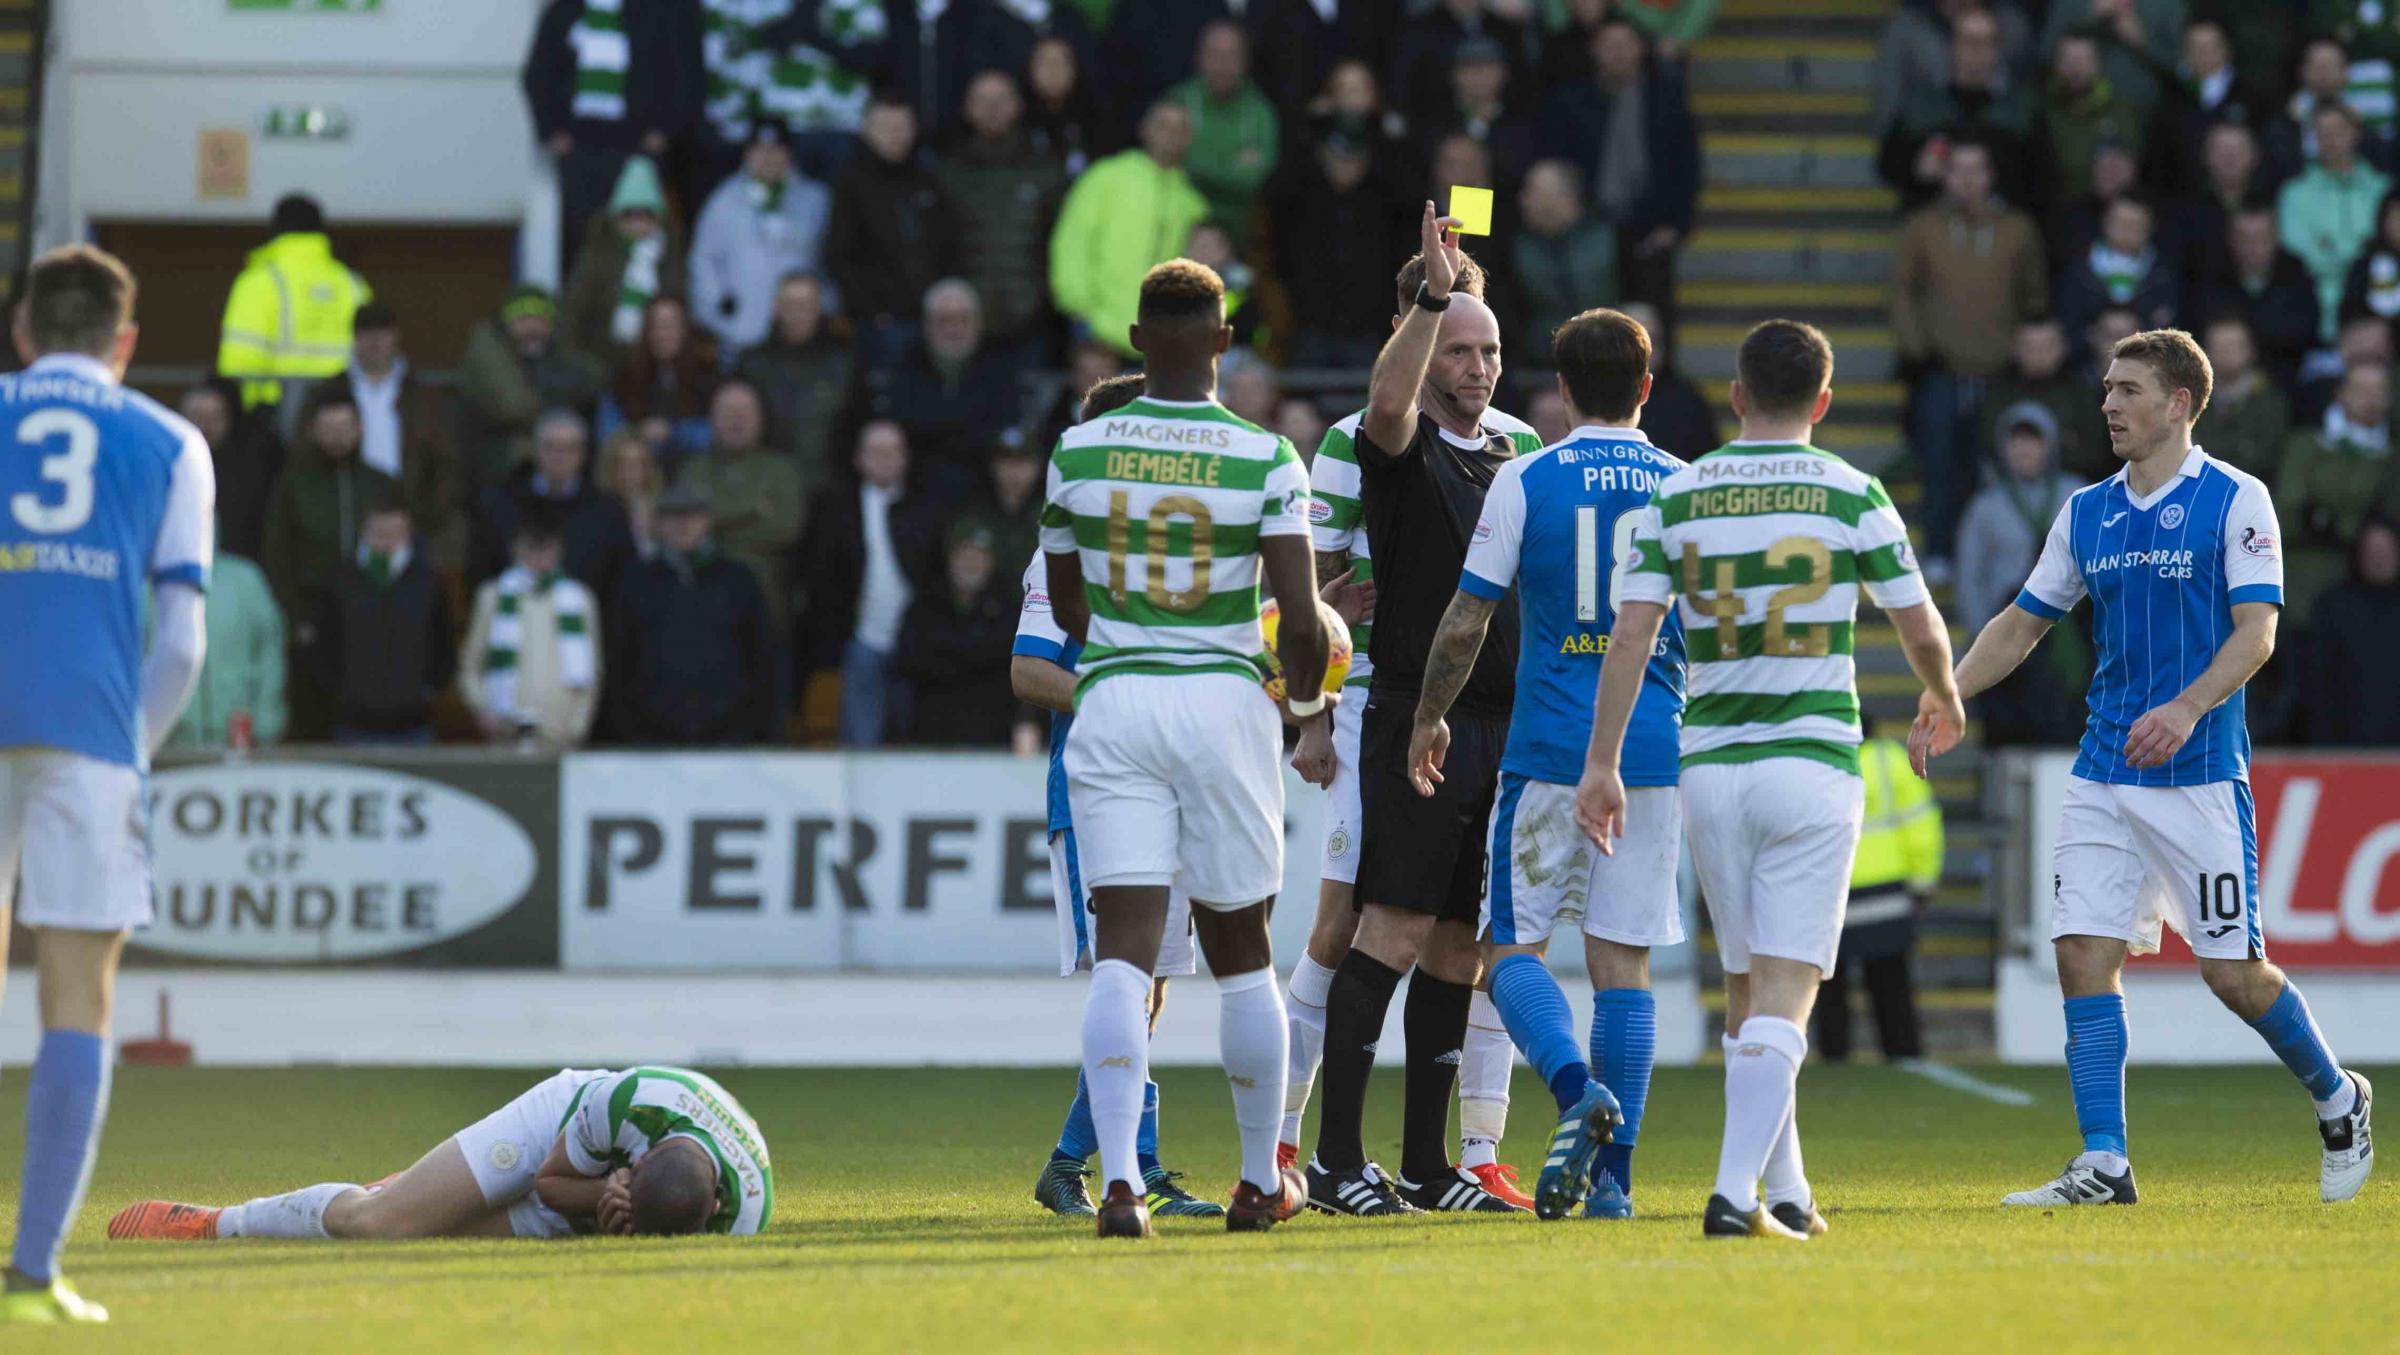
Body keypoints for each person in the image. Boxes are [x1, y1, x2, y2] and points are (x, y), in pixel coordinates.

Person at [1947, 327, 2374, 1208]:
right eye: (2107, 388)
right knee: (2081, 952)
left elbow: (2257, 634)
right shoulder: (2086, 510)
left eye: (2128, 389)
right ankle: (2104, 1160)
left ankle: (2340, 1096)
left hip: (2200, 773)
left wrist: (2185, 708)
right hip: (2104, 770)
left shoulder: (2237, 498)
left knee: (2233, 976)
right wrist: (1950, 692)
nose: (2108, 403)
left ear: (2179, 403)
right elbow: (2022, 622)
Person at [1575, 318, 1962, 1240]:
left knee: (1745, 986)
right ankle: (1732, 1189)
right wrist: (1943, 694)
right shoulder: (1851, 490)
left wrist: (1601, 762)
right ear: (1824, 402)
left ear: (1738, 396)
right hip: (1810, 764)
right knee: (1788, 989)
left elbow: (1631, 636)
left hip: (1708, 763)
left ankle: (1786, 1191)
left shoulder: (1683, 491)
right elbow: (1918, 625)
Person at [1039, 257, 1322, 1239]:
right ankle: (1258, 1181)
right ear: (1222, 339)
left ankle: (1119, 1183)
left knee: (1124, 950)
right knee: (1243, 951)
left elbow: (1068, 605)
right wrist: (1310, 704)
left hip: (1116, 696)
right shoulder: (1267, 455)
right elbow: (1305, 624)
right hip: (1221, 697)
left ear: (1133, 340)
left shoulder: (1077, 450)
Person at [1403, 307, 1686, 1221]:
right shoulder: (1686, 486)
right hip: (1652, 752)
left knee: (1507, 952)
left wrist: (1428, 716)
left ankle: (1576, 1094)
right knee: (1624, 967)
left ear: (1560, 393)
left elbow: (1467, 617)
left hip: (1546, 753)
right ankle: (1615, 1185)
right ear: (1647, 387)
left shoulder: (1526, 477)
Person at [1287, 246, 1544, 1210]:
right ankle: (1332, 1162)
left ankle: (1433, 1166)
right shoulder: (1391, 444)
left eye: (1490, 351)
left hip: (1503, 726)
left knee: (1455, 948)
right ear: (1425, 346)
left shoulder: (1516, 454)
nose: (1476, 366)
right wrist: (1435, 301)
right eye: (1458, 349)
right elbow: (1388, 408)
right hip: (1411, 716)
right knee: (1382, 930)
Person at [0, 245, 212, 1324]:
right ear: (124, 342)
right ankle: (32, 1274)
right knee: (76, 997)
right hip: (91, 736)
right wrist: (132, 741)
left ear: (23, 330)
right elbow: (180, 642)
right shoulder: (172, 441)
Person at [1018, 370, 1223, 1223]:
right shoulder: (1059, 553)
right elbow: (1031, 670)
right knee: (1128, 979)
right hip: (1099, 791)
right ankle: (1124, 1168)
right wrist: (1127, 694)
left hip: (1167, 791)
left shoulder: (1152, 556)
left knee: (1150, 986)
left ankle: (1078, 1162)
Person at [110, 1066, 767, 1242]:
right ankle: (215, 1220)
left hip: (596, 1199)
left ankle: (420, 1189)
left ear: (714, 1204)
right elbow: (551, 1178)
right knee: (374, 1224)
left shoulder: (745, 1213)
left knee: (415, 1218)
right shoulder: (627, 1101)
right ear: (642, 1159)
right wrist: (601, 1196)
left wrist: (615, 1218)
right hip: (559, 1141)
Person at [1894, 139, 2050, 581]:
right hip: (1941, 368)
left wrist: (2026, 346)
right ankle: (1940, 549)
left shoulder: (2017, 229)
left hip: (2000, 370)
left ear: (1991, 175)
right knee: (1939, 460)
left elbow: (2034, 294)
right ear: (1944, 176)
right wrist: (1916, 349)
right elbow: (1904, 291)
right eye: (1957, 169)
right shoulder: (1922, 227)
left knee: (1994, 465)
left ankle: (1996, 561)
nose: (1967, 179)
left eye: (1977, 169)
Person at [519, 0, 704, 272]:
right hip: (580, 147)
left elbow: (686, 74)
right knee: (583, 236)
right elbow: (538, 73)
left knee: (641, 237)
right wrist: (551, 131)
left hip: (637, 148)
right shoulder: (565, 10)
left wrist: (665, 131)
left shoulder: (656, 9)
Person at [261, 386, 401, 738]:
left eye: (345, 428)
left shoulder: (381, 484)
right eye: (329, 429)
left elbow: (401, 549)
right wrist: (297, 620)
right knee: (312, 720)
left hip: (370, 621)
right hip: (313, 624)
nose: (338, 438)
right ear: (313, 432)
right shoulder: (293, 485)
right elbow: (278, 556)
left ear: (360, 430)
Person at [800, 420, 944, 747]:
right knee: (860, 744)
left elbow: (934, 576)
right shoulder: (835, 509)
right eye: (876, 452)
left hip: (914, 643)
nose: (886, 459)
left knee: (910, 742)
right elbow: (821, 577)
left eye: (894, 451)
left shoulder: (925, 510)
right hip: (860, 642)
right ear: (858, 459)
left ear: (906, 458)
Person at [1956, 404, 2091, 746]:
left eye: (2033, 441)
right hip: (2009, 628)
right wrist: (1980, 637)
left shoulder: (2078, 495)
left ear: (2051, 445)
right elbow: (1970, 576)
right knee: (2010, 730)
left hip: (2069, 633)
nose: (2024, 450)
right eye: (2016, 441)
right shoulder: (1985, 506)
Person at [606, 485, 781, 745]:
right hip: (651, 742)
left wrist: (758, 730)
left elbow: (764, 658)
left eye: (693, 515)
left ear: (708, 521)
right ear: (659, 523)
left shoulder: (740, 580)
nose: (683, 524)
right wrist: (629, 731)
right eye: (673, 516)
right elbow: (619, 659)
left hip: (730, 739)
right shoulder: (636, 581)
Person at [1817, 723, 1943, 1063]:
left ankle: (1833, 1062)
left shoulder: (1819, 758)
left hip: (1829, 892)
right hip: (1887, 893)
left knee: (1828, 988)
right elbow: (1922, 829)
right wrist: (1922, 886)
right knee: (1892, 987)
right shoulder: (1890, 760)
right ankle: (1904, 1058)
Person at [1048, 101, 1211, 360]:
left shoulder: (1193, 203)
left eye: (1180, 128)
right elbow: (1072, 242)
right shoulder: (1106, 176)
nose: (1170, 134)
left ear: (1190, 138)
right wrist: (1079, 309)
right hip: (1097, 333)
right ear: (1144, 129)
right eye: (1163, 125)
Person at [851, 280, 1027, 499]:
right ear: (926, 325)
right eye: (944, 320)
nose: (954, 329)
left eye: (963, 319)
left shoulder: (1000, 368)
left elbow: (999, 431)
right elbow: (903, 425)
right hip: (912, 489)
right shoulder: (903, 366)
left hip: (983, 489)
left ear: (979, 323)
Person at [823, 93, 961, 368]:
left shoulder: (929, 182)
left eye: (902, 127)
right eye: (886, 127)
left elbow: (951, 245)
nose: (895, 136)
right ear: (867, 130)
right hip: (878, 325)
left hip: (931, 319)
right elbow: (838, 255)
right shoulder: (851, 185)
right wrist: (873, 311)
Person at [936, 69, 1070, 349]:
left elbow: (1063, 244)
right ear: (967, 109)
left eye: (1001, 99)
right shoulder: (948, 171)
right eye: (982, 100)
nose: (992, 109)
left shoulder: (1045, 170)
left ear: (1018, 105)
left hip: (1031, 321)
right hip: (964, 323)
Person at [1269, 126, 1413, 371]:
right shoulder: (1300, 198)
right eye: (1337, 157)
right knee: (1302, 401)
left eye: (1353, 159)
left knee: (1368, 404)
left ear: (1366, 160)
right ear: (1322, 156)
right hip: (1310, 327)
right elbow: (1274, 192)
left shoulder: (1385, 201)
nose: (1345, 165)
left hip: (1366, 329)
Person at [691, 119, 836, 356]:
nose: (768, 157)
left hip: (801, 330)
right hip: (742, 331)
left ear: (789, 153)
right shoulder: (723, 201)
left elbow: (829, 257)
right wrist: (717, 311)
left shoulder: (815, 200)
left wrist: (826, 305)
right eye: (759, 149)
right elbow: (704, 260)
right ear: (747, 154)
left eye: (777, 149)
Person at [314, 502, 454, 746]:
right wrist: (342, 693)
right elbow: (324, 646)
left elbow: (444, 646)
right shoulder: (339, 581)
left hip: (414, 725)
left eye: (395, 534)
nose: (386, 543)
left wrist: (426, 691)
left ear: (408, 536)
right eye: (378, 534)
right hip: (354, 724)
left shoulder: (428, 583)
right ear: (363, 534)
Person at [216, 194, 371, 414]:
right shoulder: (351, 283)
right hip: (346, 411)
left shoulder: (259, 281)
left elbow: (240, 359)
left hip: (276, 413)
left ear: (276, 228)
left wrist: (245, 414)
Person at [459, 513, 602, 751]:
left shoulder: (580, 599)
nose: (539, 558)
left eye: (546, 549)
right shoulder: (493, 596)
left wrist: (578, 725)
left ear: (559, 551)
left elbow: (592, 671)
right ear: (516, 550)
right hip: (505, 733)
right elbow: (470, 665)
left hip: (561, 735)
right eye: (532, 549)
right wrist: (483, 709)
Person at [342, 302, 464, 579]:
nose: (374, 342)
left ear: (395, 337)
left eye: (382, 333)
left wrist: (428, 513)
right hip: (349, 515)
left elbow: (447, 460)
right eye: (366, 334)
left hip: (415, 518)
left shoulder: (424, 396)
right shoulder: (331, 392)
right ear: (355, 339)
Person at [469, 408, 637, 601]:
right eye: (550, 447)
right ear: (534, 450)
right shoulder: (499, 504)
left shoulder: (608, 513)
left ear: (583, 454)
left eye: (569, 448)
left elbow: (619, 583)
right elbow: (482, 572)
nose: (559, 457)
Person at [456, 285, 606, 500]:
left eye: (540, 319)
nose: (532, 327)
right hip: (499, 471)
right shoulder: (491, 360)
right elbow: (514, 407)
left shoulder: (564, 360)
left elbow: (592, 381)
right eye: (522, 319)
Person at [2277, 362, 2400, 621]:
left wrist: (2328, 520)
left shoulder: (2391, 457)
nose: (2372, 400)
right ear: (2341, 393)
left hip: (2365, 586)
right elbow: (2287, 513)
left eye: (2380, 392)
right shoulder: (2306, 444)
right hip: (2298, 573)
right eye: (2362, 390)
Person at [561, 155, 688, 369]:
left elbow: (679, 301)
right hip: (602, 359)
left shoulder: (670, 253)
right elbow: (573, 311)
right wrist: (578, 361)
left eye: (646, 214)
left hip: (656, 362)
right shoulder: (596, 253)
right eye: (629, 214)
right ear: (616, 217)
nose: (637, 223)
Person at [2281, 101, 2392, 342]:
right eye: (2321, 133)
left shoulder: (2384, 189)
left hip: (2382, 315)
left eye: (2338, 131)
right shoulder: (2294, 193)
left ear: (2356, 134)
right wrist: (2361, 253)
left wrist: (2330, 250)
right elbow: (2297, 257)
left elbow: (2391, 251)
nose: (2330, 139)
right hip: (2313, 319)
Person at [162, 544, 285, 753]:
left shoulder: (245, 580)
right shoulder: (149, 584)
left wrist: (265, 721)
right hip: (172, 748)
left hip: (241, 744)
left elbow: (270, 650)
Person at [732, 271, 853, 482]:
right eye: (790, 305)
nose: (798, 314)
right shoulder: (751, 364)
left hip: (828, 488)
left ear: (818, 310)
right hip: (766, 486)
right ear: (775, 309)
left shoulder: (843, 365)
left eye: (805, 305)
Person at [1168, 19, 1281, 239]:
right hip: (1178, 228)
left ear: (1246, 61)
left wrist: (1192, 158)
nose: (1223, 64)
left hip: (1237, 234)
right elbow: (1165, 164)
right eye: (1214, 54)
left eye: (1231, 55)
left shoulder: (1260, 111)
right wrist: (1231, 164)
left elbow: (1251, 180)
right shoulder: (1179, 100)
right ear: (1199, 58)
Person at [1504, 160, 1618, 367]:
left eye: (1532, 191)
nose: (1523, 200)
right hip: (1534, 365)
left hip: (1605, 359)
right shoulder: (1513, 245)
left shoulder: (1612, 238)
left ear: (1562, 198)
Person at [2205, 208, 2324, 392]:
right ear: (2231, 240)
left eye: (2261, 238)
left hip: (2287, 376)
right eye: (2244, 238)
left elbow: (2304, 330)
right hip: (2223, 375)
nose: (2252, 247)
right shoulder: (2213, 273)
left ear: (2276, 239)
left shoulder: (2296, 271)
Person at [2305, 517, 2400, 744]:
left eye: (2386, 550)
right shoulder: (2333, 608)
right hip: (2346, 746)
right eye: (2372, 551)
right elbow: (2317, 683)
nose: (2379, 559)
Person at [596, 294, 717, 471]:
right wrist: (638, 433)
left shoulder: (710, 376)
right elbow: (607, 436)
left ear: (685, 329)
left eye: (670, 326)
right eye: (655, 326)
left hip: (696, 473)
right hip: (636, 473)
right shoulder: (623, 378)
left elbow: (720, 433)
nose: (662, 334)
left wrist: (673, 432)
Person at [178, 376, 283, 561]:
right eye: (196, 417)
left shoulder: (255, 469)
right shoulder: (169, 464)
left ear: (230, 419)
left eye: (214, 418)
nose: (204, 426)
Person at [2058, 196, 2182, 337]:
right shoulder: (2078, 269)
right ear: (2104, 222)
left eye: (2135, 225)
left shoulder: (2164, 273)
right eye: (2120, 223)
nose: (2126, 231)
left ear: (2149, 228)